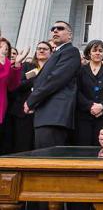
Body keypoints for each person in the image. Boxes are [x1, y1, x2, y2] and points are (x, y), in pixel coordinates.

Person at [24, 21, 81, 149]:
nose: (55, 30)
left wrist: (31, 100)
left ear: (70, 35)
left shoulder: (71, 51)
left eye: (60, 28)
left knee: (47, 159)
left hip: (54, 116)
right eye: (53, 28)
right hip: (46, 115)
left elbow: (54, 80)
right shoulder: (57, 53)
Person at [10, 41, 53, 152]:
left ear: (51, 53)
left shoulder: (54, 70)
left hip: (44, 113)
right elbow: (18, 84)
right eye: (39, 49)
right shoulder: (28, 66)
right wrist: (36, 77)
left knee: (39, 147)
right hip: (23, 113)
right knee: (22, 145)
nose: (41, 50)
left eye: (45, 49)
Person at [74, 40, 103, 147]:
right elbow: (77, 91)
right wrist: (90, 106)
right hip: (84, 117)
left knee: (102, 148)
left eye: (100, 51)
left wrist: (102, 106)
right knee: (83, 148)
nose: (97, 53)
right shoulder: (80, 70)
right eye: (94, 50)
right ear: (89, 53)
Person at [0, 37, 28, 154]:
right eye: (1, 47)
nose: (3, 50)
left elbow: (12, 85)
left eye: (6, 49)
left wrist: (16, 64)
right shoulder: (4, 64)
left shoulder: (6, 63)